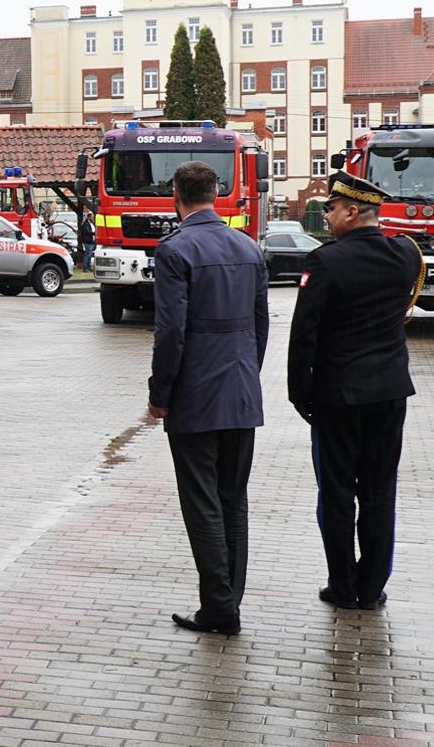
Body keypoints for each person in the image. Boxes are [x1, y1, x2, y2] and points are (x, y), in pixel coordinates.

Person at [288, 171, 423, 613]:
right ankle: (373, 587)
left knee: (338, 493)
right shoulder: (405, 253)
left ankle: (342, 585)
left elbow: (304, 334)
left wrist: (298, 393)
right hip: (389, 393)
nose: (325, 216)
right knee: (381, 491)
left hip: (338, 396)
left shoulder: (326, 262)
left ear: (351, 211)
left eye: (330, 208)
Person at [146, 160, 269, 637]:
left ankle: (218, 607)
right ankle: (227, 601)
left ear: (176, 193)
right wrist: (246, 376)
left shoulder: (175, 249)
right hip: (240, 391)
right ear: (215, 193)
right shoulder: (247, 246)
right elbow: (260, 325)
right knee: (232, 499)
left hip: (196, 395)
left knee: (202, 503)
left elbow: (170, 332)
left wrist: (161, 393)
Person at [77, 207, 97, 272]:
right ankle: (85, 268)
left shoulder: (91, 224)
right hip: (88, 241)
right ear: (88, 217)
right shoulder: (86, 224)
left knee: (90, 254)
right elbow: (87, 231)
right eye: (91, 217)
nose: (93, 218)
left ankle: (88, 266)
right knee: (87, 254)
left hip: (91, 241)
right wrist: (94, 233)